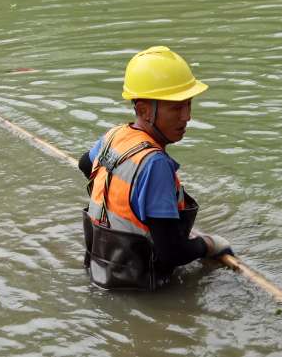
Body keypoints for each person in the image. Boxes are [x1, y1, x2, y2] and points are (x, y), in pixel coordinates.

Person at [78, 46, 233, 290]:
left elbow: (85, 163)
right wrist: (209, 245)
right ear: (143, 110)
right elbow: (172, 253)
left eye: (188, 104)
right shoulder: (155, 164)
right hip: (139, 286)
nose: (187, 117)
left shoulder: (115, 135)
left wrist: (126, 204)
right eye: (176, 108)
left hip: (100, 269)